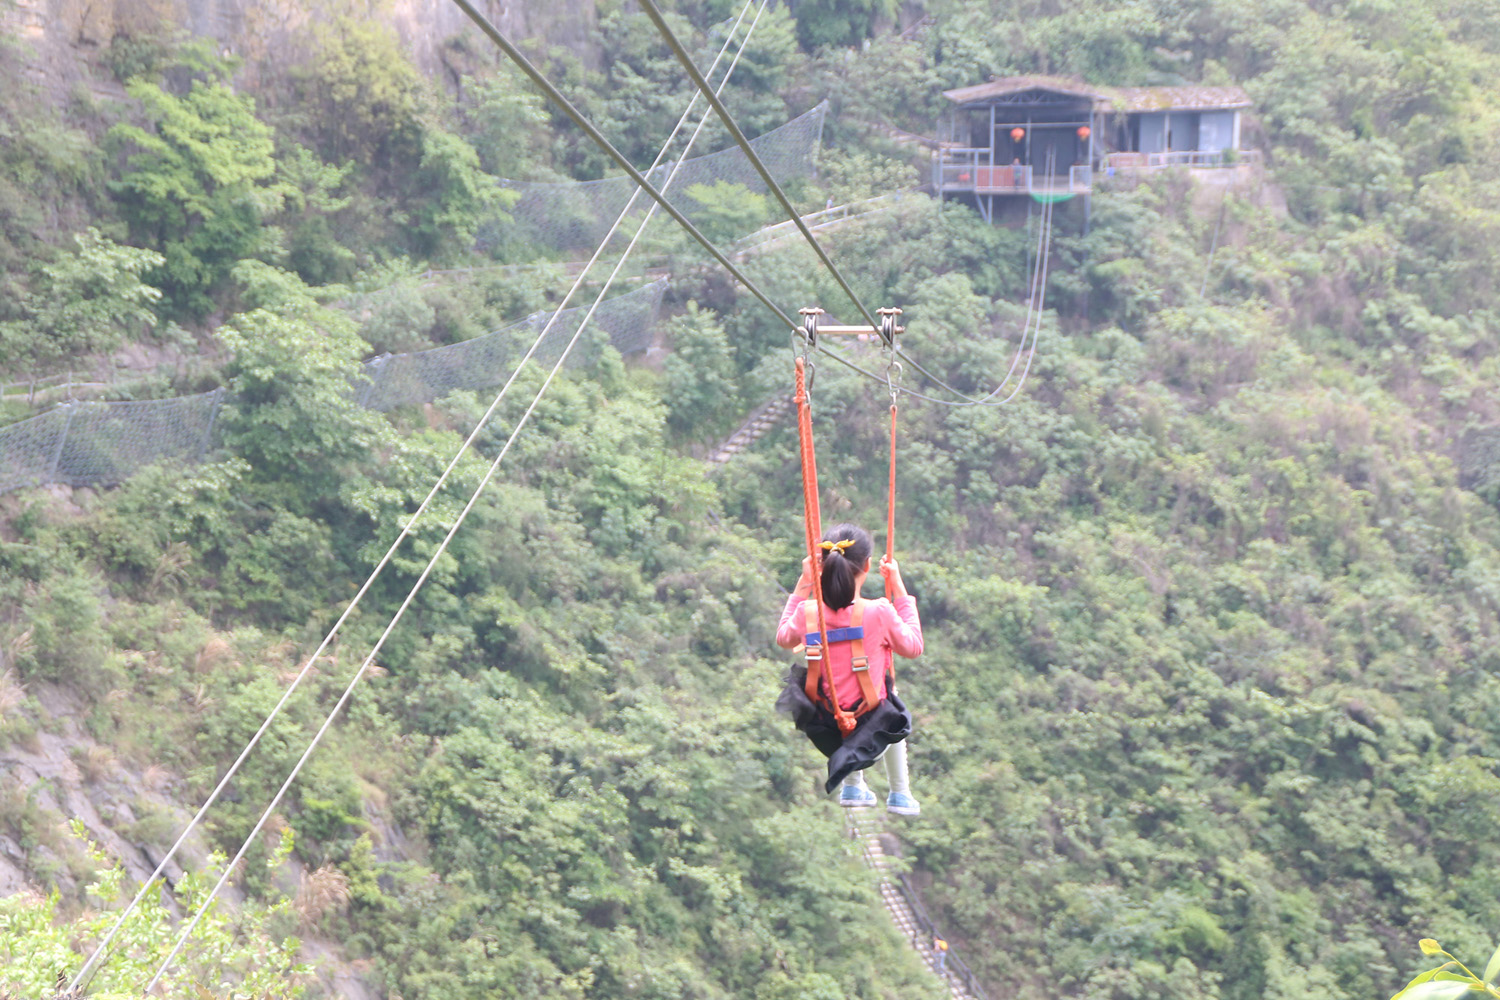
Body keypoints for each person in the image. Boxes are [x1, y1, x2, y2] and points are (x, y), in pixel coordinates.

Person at [776, 523, 923, 815]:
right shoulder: (879, 611)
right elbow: (914, 646)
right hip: (875, 733)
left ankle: (854, 784)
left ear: (821, 566)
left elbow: (783, 638)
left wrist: (804, 584)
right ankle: (900, 792)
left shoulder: (809, 613)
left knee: (840, 693)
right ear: (867, 565)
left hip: (825, 732)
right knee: (889, 694)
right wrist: (898, 587)